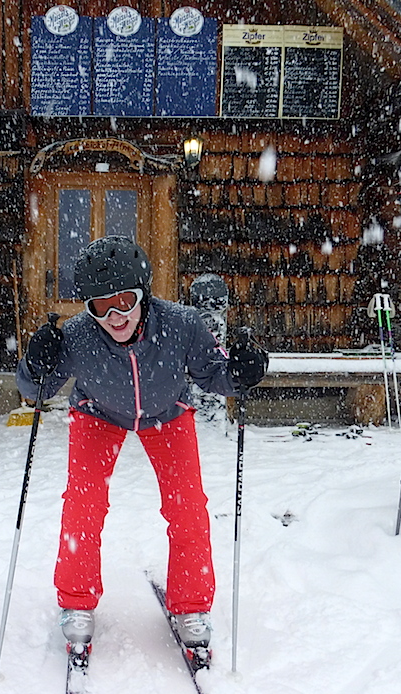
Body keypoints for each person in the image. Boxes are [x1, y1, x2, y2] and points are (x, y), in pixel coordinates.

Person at [15, 236, 268, 665]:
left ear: (143, 294)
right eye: (101, 306)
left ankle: (192, 605)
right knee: (83, 503)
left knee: (188, 506)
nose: (115, 316)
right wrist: (34, 363)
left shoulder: (182, 324)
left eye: (125, 302)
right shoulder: (78, 335)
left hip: (167, 412)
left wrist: (243, 371)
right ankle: (76, 600)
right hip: (97, 412)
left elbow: (215, 376)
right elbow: (33, 389)